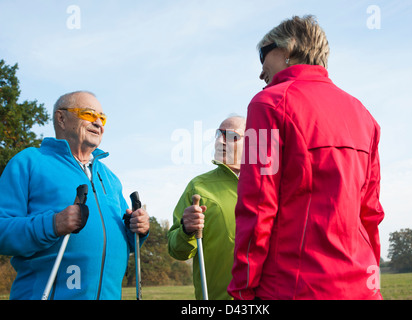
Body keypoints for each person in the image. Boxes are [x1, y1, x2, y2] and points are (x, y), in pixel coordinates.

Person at [227, 15, 385, 300]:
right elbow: (370, 213)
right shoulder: (364, 115)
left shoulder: (268, 104)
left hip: (292, 287)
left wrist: (243, 285)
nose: (261, 71)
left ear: (288, 50)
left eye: (263, 54)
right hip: (361, 288)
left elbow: (258, 204)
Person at [0, 91, 149, 300]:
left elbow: (124, 242)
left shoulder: (110, 178)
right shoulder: (28, 162)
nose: (99, 123)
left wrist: (137, 230)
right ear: (61, 118)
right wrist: (53, 224)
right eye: (89, 114)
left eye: (103, 118)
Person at [168, 116, 246, 300]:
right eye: (218, 135)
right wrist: (186, 230)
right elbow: (177, 250)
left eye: (230, 136)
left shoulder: (273, 183)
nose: (220, 141)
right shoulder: (198, 186)